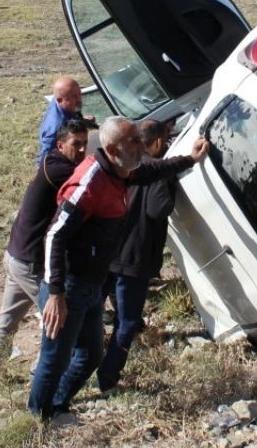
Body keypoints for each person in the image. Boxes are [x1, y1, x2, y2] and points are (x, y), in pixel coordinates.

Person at [27, 116, 207, 419]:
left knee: (91, 355)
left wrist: (190, 158)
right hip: (69, 287)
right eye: (133, 142)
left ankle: (57, 406)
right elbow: (56, 235)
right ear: (111, 148)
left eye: (139, 139)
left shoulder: (121, 170)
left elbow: (152, 169)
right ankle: (39, 418)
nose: (140, 146)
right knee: (55, 359)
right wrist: (56, 292)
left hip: (91, 285)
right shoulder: (90, 182)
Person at [0, 119, 90, 372]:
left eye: (85, 144)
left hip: (16, 255)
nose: (81, 150)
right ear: (60, 145)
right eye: (76, 144)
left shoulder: (52, 161)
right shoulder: (62, 172)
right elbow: (91, 182)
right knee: (58, 317)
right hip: (30, 262)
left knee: (8, 320)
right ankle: (46, 373)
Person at [96, 118, 189, 393]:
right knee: (125, 321)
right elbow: (159, 210)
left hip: (109, 252)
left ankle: (83, 362)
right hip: (134, 258)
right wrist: (171, 183)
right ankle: (108, 376)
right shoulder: (156, 172)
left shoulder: (124, 165)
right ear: (159, 142)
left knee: (93, 311)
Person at [37, 76, 85, 165]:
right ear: (60, 100)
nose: (79, 99)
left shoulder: (62, 102)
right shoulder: (55, 128)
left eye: (79, 94)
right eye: (74, 97)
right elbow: (45, 160)